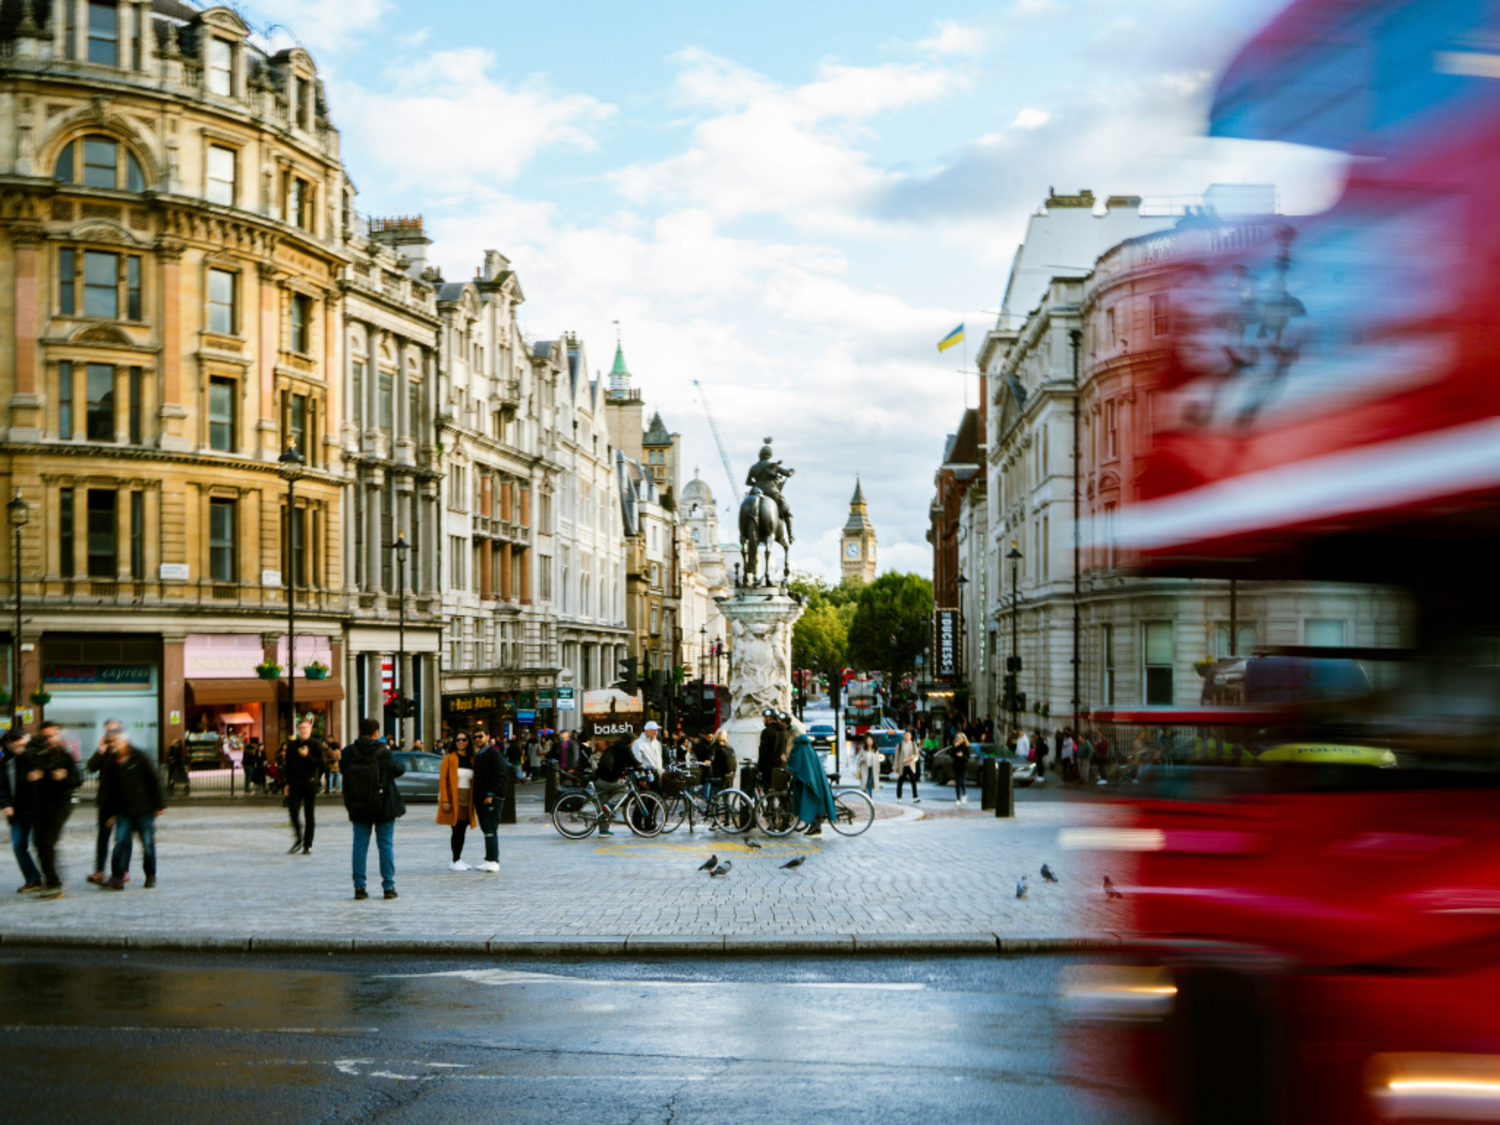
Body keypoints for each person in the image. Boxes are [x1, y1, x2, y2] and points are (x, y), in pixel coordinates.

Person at [343, 716, 406, 900]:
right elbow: (399, 769)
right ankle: (388, 886)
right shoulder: (383, 752)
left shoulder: (349, 752)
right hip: (383, 805)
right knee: (385, 844)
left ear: (359, 732)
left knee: (359, 845)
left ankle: (359, 887)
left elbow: (342, 770)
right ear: (377, 733)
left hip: (358, 804)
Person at [98, 730, 164, 890]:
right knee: (120, 842)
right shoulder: (110, 763)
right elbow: (107, 790)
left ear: (124, 741)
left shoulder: (140, 756)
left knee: (148, 844)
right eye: (109, 742)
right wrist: (108, 813)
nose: (112, 745)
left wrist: (160, 804)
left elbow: (154, 780)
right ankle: (117, 877)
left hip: (144, 809)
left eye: (114, 741)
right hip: (123, 811)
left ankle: (150, 875)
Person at [24, 721, 81, 898]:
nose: (48, 739)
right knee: (39, 844)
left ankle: (54, 883)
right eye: (45, 736)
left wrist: (64, 777)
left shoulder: (64, 755)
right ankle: (51, 878)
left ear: (58, 735)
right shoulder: (34, 755)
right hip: (41, 805)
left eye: (51, 735)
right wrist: (30, 777)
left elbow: (77, 780)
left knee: (47, 841)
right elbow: (22, 780)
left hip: (61, 803)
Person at [1, 726, 41, 893]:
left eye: (19, 739)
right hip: (17, 811)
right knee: (18, 845)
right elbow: (1, 787)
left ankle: (52, 878)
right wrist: (6, 805)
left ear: (26, 739)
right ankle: (33, 879)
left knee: (41, 844)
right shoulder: (7, 761)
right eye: (13, 740)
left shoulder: (37, 756)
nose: (16, 743)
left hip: (38, 809)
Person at [85, 720, 124, 885]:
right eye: (107, 731)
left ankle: (122, 872)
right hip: (105, 801)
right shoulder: (104, 751)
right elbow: (91, 767)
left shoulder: (125, 749)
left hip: (124, 800)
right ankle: (100, 871)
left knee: (123, 838)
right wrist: (101, 749)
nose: (110, 734)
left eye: (113, 730)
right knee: (103, 837)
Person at [786, 719, 838, 836]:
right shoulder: (805, 743)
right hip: (816, 774)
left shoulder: (800, 746)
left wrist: (787, 761)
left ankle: (815, 826)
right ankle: (815, 827)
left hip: (811, 776)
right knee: (815, 799)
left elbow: (798, 764)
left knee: (813, 798)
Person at [282, 718, 324, 855]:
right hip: (295, 783)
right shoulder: (292, 746)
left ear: (310, 730)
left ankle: (308, 844)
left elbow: (322, 763)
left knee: (309, 814)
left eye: (305, 728)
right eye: (300, 729)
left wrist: (307, 756)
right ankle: (299, 839)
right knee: (293, 811)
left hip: (310, 783)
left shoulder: (316, 745)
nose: (303, 731)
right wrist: (286, 783)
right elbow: (288, 765)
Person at [437, 732, 479, 871]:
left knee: (463, 829)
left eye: (464, 740)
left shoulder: (472, 758)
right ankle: (455, 860)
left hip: (468, 799)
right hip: (454, 799)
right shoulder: (449, 758)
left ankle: (458, 859)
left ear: (468, 741)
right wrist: (445, 800)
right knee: (457, 829)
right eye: (458, 740)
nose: (461, 742)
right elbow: (443, 780)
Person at [473, 730, 504, 873]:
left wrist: (491, 793)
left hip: (491, 797)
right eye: (475, 737)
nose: (478, 739)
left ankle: (494, 860)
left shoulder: (493, 753)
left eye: (480, 736)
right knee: (486, 828)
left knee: (490, 828)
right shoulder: (480, 754)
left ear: (487, 737)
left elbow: (499, 774)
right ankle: (488, 859)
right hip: (480, 797)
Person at [591, 737, 635, 836]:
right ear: (630, 741)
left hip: (599, 779)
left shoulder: (611, 748)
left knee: (604, 803)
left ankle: (603, 830)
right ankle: (610, 804)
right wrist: (641, 767)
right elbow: (633, 761)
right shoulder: (624, 748)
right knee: (625, 789)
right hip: (608, 780)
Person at [756, 708, 785, 791]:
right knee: (780, 793)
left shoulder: (767, 731)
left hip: (770, 768)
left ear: (769, 718)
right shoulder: (784, 731)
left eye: (764, 718)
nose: (763, 721)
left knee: (768, 794)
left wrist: (760, 767)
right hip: (782, 766)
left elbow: (763, 751)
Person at [895, 729, 921, 803]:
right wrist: (895, 767)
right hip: (902, 765)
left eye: (908, 735)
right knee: (900, 782)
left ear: (911, 736)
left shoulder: (913, 744)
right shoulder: (899, 745)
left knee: (913, 780)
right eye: (905, 735)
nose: (907, 737)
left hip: (910, 765)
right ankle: (899, 797)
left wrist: (911, 758)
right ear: (903, 736)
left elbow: (917, 754)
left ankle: (915, 796)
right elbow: (896, 757)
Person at [950, 732, 972, 806]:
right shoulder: (955, 746)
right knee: (957, 783)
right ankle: (958, 799)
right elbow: (951, 755)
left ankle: (964, 795)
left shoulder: (966, 747)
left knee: (962, 782)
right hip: (956, 767)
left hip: (964, 767)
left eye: (959, 738)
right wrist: (955, 747)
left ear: (963, 739)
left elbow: (967, 758)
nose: (958, 739)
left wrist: (962, 755)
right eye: (957, 738)